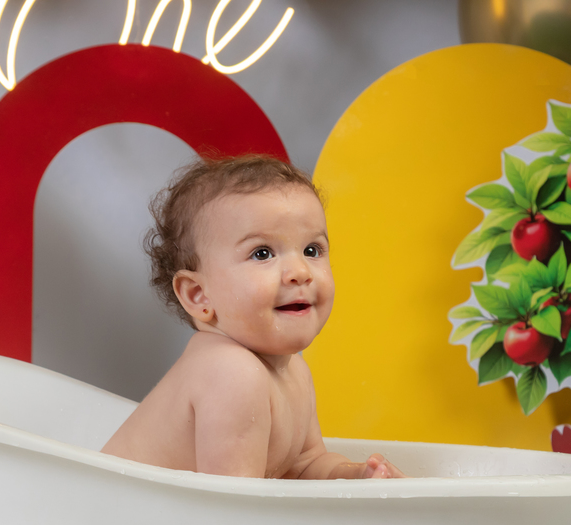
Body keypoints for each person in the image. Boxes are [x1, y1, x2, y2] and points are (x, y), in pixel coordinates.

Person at [103, 155, 405, 480]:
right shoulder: (231, 373)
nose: (300, 271)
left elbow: (302, 467)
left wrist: (355, 476)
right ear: (199, 295)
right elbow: (234, 504)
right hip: (110, 508)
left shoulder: (294, 372)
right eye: (262, 253)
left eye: (312, 250)